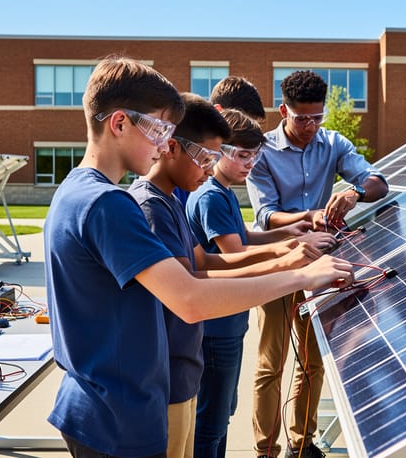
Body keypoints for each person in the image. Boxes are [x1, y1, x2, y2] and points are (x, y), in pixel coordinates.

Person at [43, 56, 354, 458]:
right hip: (119, 417)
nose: (162, 144)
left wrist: (286, 257)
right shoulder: (109, 204)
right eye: (156, 129)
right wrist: (302, 276)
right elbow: (190, 299)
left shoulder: (74, 190)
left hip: (96, 407)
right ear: (119, 123)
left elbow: (195, 270)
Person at [245, 70, 388, 458]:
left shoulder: (334, 143)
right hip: (278, 262)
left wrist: (356, 193)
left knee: (312, 361)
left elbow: (379, 183)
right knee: (270, 364)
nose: (309, 126)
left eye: (316, 118)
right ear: (283, 111)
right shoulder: (263, 151)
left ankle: (301, 444)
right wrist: (310, 217)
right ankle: (265, 451)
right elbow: (266, 217)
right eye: (301, 118)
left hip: (317, 266)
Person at [187, 106, 337, 458]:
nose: (249, 164)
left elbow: (245, 238)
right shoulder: (210, 196)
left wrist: (288, 232)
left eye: (254, 156)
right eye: (242, 155)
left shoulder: (223, 192)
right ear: (218, 151)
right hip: (216, 325)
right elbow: (233, 252)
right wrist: (293, 253)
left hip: (229, 320)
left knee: (221, 415)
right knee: (211, 421)